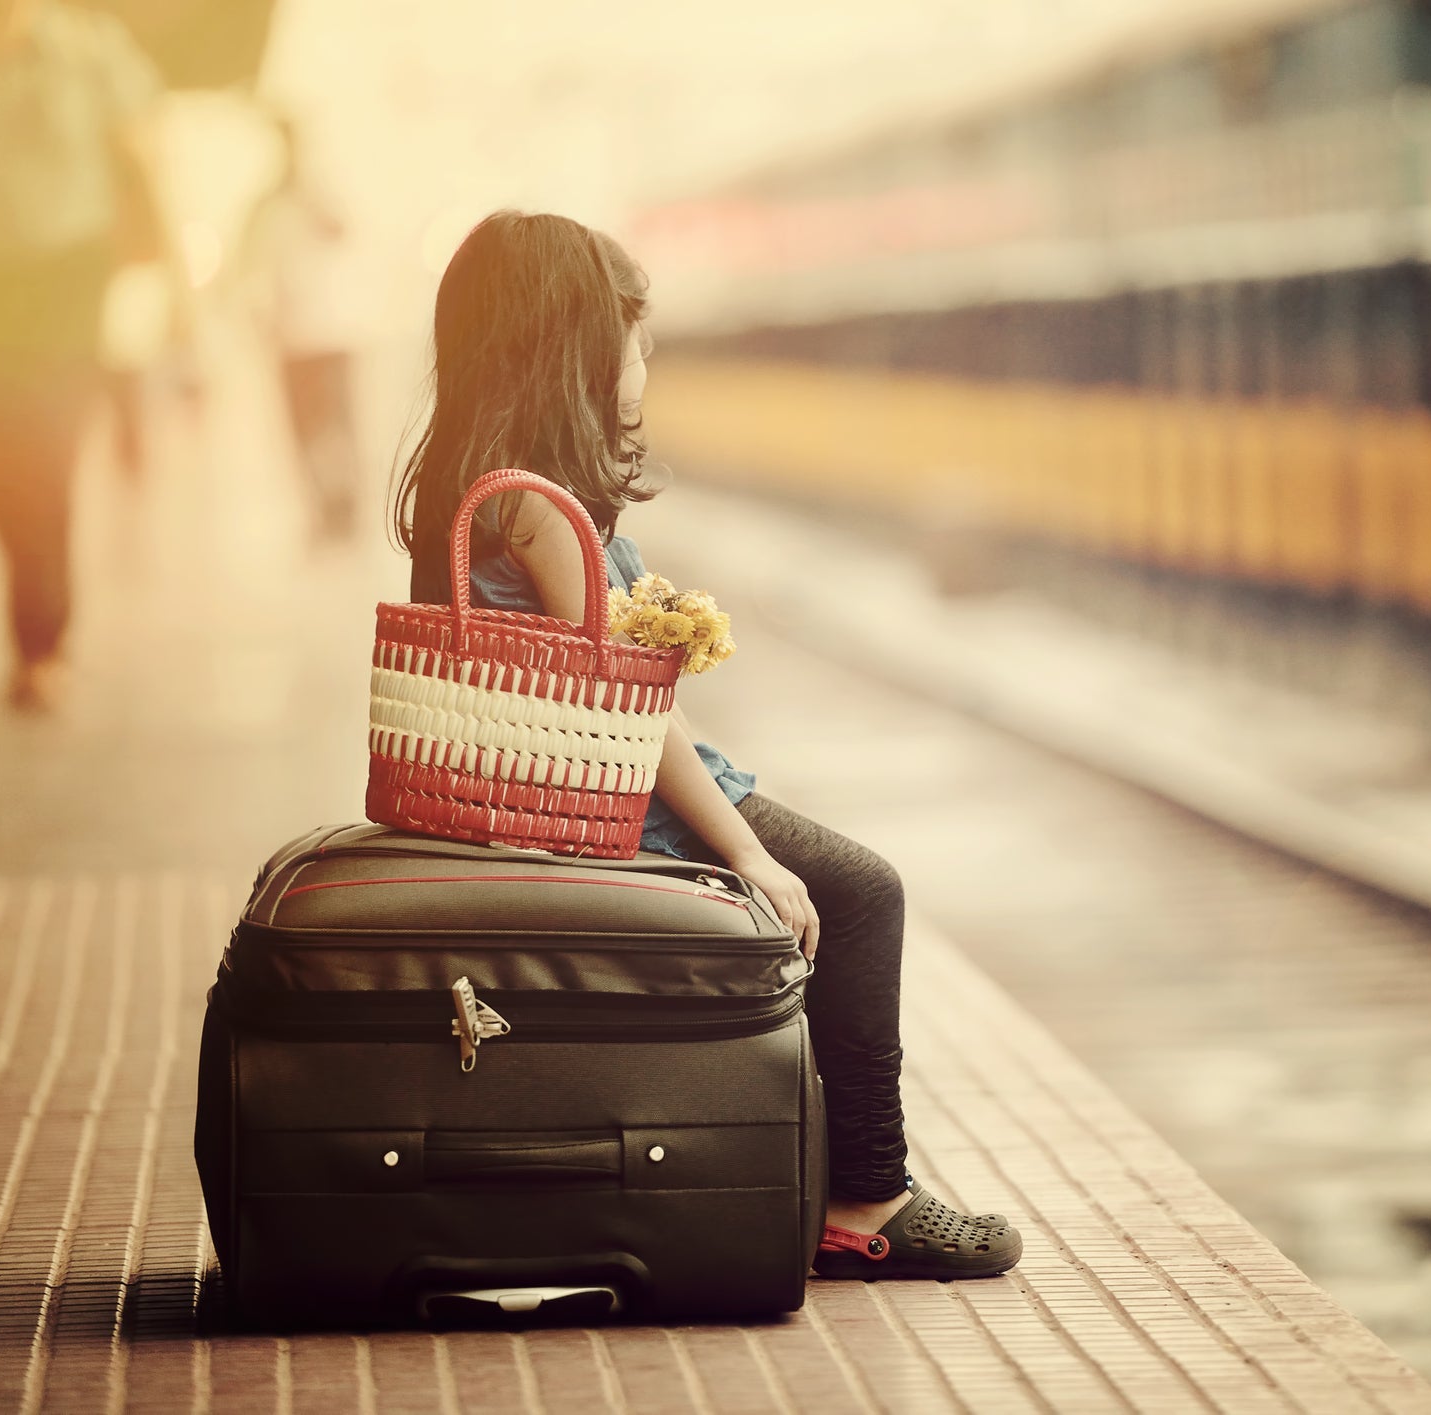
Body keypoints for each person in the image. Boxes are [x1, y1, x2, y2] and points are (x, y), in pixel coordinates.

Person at [393, 210, 1023, 1280]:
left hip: (539, 783)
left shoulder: (473, 478)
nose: (646, 365)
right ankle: (867, 1198)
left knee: (838, 887)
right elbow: (633, 726)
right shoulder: (543, 512)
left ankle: (816, 1168)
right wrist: (746, 852)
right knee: (863, 890)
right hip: (610, 800)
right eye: (635, 342)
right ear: (571, 346)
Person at [0, 0, 165, 708]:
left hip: (66, 280)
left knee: (47, 457)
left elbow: (144, 158)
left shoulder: (91, 50)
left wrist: (174, 285)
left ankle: (41, 644)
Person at [244, 112, 364, 543]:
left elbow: (342, 230)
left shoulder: (317, 197)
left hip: (328, 333)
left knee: (333, 426)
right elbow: (251, 269)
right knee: (307, 429)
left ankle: (344, 508)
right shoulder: (266, 206)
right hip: (293, 339)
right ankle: (323, 508)